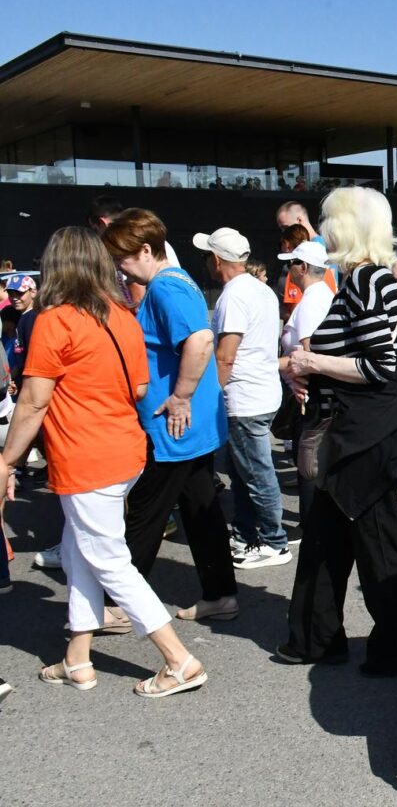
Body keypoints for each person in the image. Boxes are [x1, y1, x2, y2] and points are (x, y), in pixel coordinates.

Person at [1, 227, 207, 698]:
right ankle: (78, 657)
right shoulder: (122, 315)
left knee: (106, 558)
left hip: (85, 456)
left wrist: (6, 461)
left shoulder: (55, 321)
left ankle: (179, 660)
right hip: (125, 450)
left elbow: (33, 402)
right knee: (79, 552)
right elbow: (137, 388)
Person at [280, 186, 397, 675]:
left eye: (327, 220)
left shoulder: (367, 279)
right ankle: (317, 638)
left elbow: (377, 366)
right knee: (330, 538)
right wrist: (309, 368)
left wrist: (308, 359)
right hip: (354, 432)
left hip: (362, 436)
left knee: (375, 543)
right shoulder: (365, 279)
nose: (321, 229)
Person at [102, 209, 239, 624]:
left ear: (146, 250)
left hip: (174, 425)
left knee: (145, 513)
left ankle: (120, 605)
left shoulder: (165, 287)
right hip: (185, 427)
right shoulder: (174, 282)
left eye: (123, 259)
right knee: (201, 511)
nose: (119, 270)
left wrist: (180, 397)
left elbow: (200, 339)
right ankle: (220, 594)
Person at [195, 227, 289, 568]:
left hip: (245, 396)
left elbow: (226, 355)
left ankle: (274, 542)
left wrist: (208, 397)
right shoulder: (261, 290)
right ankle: (248, 536)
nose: (206, 261)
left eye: (207, 255)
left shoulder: (233, 295)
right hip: (262, 391)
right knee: (243, 471)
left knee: (255, 472)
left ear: (217, 259)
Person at [277, 239, 336, 521]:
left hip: (309, 394)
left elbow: (311, 352)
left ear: (302, 267)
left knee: (309, 461)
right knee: (311, 460)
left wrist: (289, 370)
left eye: (292, 263)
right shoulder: (319, 296)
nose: (289, 269)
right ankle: (315, 521)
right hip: (309, 390)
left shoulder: (313, 300)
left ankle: (313, 523)